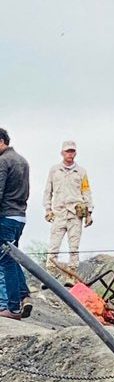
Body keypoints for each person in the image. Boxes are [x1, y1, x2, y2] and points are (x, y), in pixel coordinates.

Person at [43, 140, 93, 284]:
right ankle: (50, 275)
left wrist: (89, 212)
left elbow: (86, 191)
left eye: (72, 151)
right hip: (58, 213)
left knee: (74, 246)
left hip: (75, 214)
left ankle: (71, 275)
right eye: (67, 151)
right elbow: (48, 191)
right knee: (53, 245)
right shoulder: (54, 170)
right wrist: (47, 209)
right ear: (62, 153)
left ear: (75, 153)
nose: (70, 154)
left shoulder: (81, 172)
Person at [0, 128, 31, 320]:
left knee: (5, 261)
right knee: (14, 257)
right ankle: (24, 295)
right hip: (20, 216)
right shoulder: (22, 160)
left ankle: (11, 307)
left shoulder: (3, 161)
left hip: (5, 217)